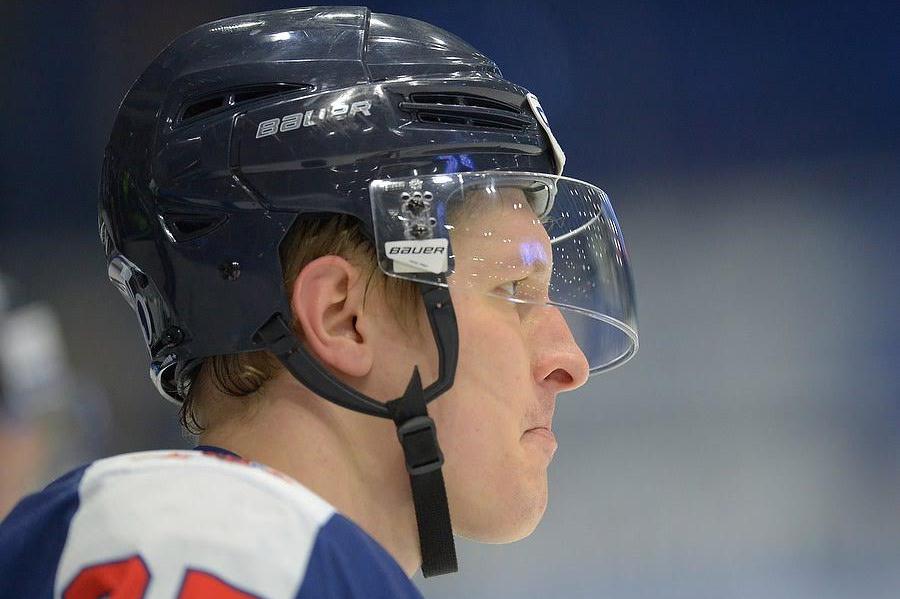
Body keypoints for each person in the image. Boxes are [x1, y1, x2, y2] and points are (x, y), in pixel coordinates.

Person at [0, 6, 638, 598]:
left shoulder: (55, 536)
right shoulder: (255, 561)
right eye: (511, 289)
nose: (569, 362)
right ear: (343, 317)